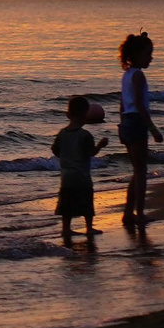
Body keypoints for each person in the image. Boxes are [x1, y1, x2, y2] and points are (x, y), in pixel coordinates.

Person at [117, 33, 164, 227]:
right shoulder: (137, 75)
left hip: (127, 121)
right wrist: (153, 129)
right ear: (136, 54)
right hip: (136, 121)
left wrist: (121, 124)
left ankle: (129, 212)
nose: (150, 58)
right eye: (148, 54)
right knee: (141, 171)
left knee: (137, 171)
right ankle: (140, 212)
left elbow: (122, 103)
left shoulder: (127, 75)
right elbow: (139, 104)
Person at [52, 95, 103, 240]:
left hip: (66, 176)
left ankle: (66, 228)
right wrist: (100, 145)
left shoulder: (62, 133)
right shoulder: (85, 135)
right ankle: (89, 227)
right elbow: (91, 153)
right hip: (82, 176)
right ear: (85, 115)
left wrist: (65, 155)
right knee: (86, 200)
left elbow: (55, 150)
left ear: (68, 115)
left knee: (67, 203)